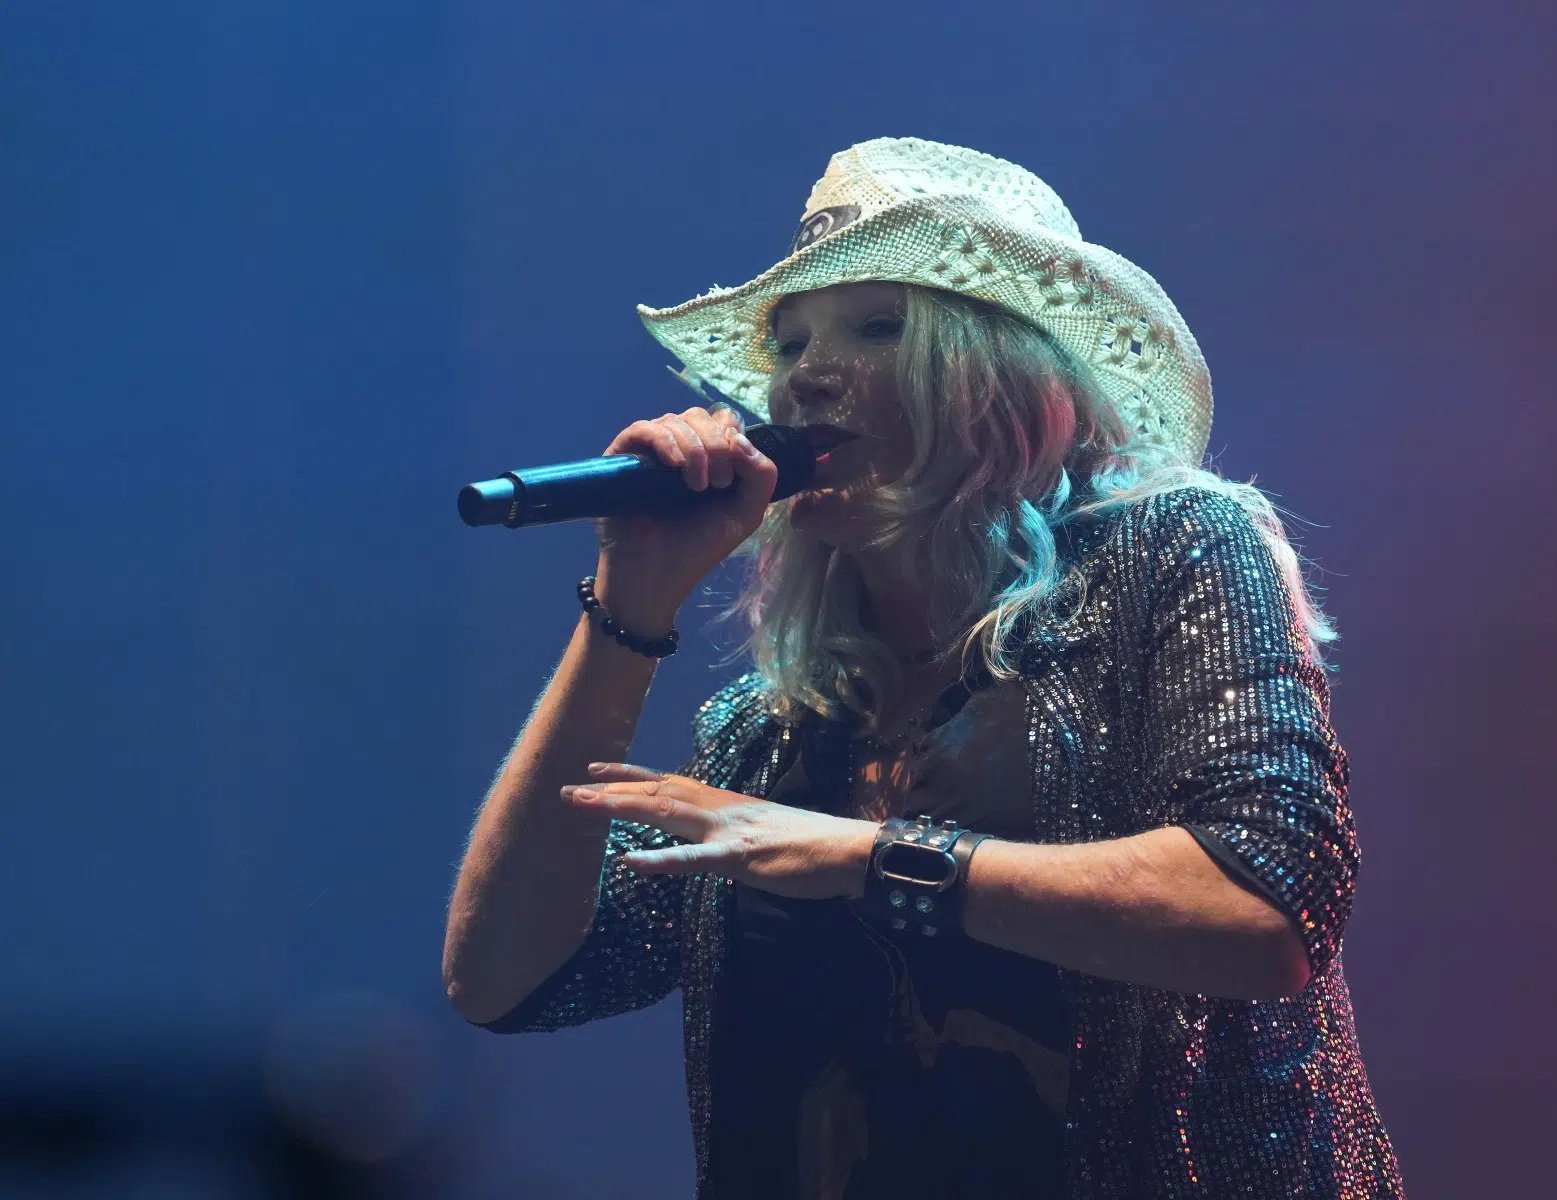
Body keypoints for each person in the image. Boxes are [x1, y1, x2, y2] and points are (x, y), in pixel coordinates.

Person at [442, 138, 1405, 1199]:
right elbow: (506, 979)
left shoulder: (1171, 554)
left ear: (1002, 368)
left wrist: (868, 859)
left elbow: (1266, 909)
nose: (804, 377)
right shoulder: (769, 730)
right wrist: (628, 604)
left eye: (877, 326)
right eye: (789, 344)